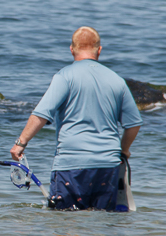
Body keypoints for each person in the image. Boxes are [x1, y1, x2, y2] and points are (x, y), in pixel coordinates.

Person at [9, 26, 142, 210]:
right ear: (99, 50)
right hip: (108, 166)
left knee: (66, 229)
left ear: (71, 49)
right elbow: (134, 124)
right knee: (101, 229)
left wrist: (21, 143)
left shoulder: (64, 76)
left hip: (71, 165)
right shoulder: (117, 80)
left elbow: (41, 113)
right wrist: (123, 150)